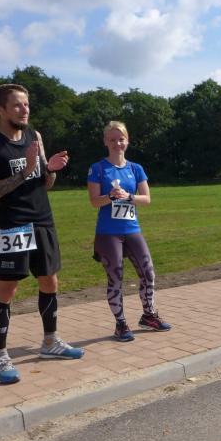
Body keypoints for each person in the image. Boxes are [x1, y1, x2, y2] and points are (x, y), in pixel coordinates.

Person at [0, 84, 85, 385]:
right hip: (14, 223)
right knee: (8, 288)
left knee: (50, 280)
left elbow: (46, 183)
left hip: (43, 219)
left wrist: (50, 169)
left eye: (26, 104)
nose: (24, 110)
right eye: (17, 105)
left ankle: (50, 342)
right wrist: (25, 170)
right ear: (0, 109)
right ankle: (0, 357)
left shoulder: (34, 137)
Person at [87, 121, 171, 342]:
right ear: (106, 142)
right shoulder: (98, 168)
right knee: (116, 277)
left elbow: (147, 199)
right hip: (108, 232)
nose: (117, 143)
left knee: (148, 272)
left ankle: (149, 315)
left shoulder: (136, 168)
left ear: (128, 141)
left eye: (121, 139)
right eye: (113, 140)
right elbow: (94, 201)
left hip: (132, 229)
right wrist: (110, 196)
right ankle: (121, 324)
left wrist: (129, 197)